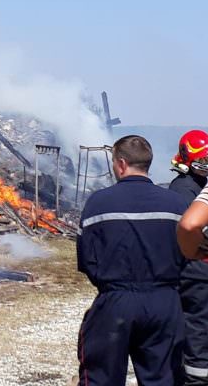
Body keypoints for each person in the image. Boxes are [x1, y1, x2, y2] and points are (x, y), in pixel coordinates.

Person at [77, 135, 187, 385]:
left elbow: (86, 259)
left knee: (101, 377)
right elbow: (188, 254)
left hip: (115, 301)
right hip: (165, 302)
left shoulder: (98, 203)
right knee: (164, 379)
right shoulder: (177, 204)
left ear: (121, 163)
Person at [170, 130, 208, 385]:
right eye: (204, 161)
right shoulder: (183, 189)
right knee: (198, 331)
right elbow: (188, 228)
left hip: (206, 271)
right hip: (197, 272)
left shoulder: (201, 185)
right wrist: (200, 253)